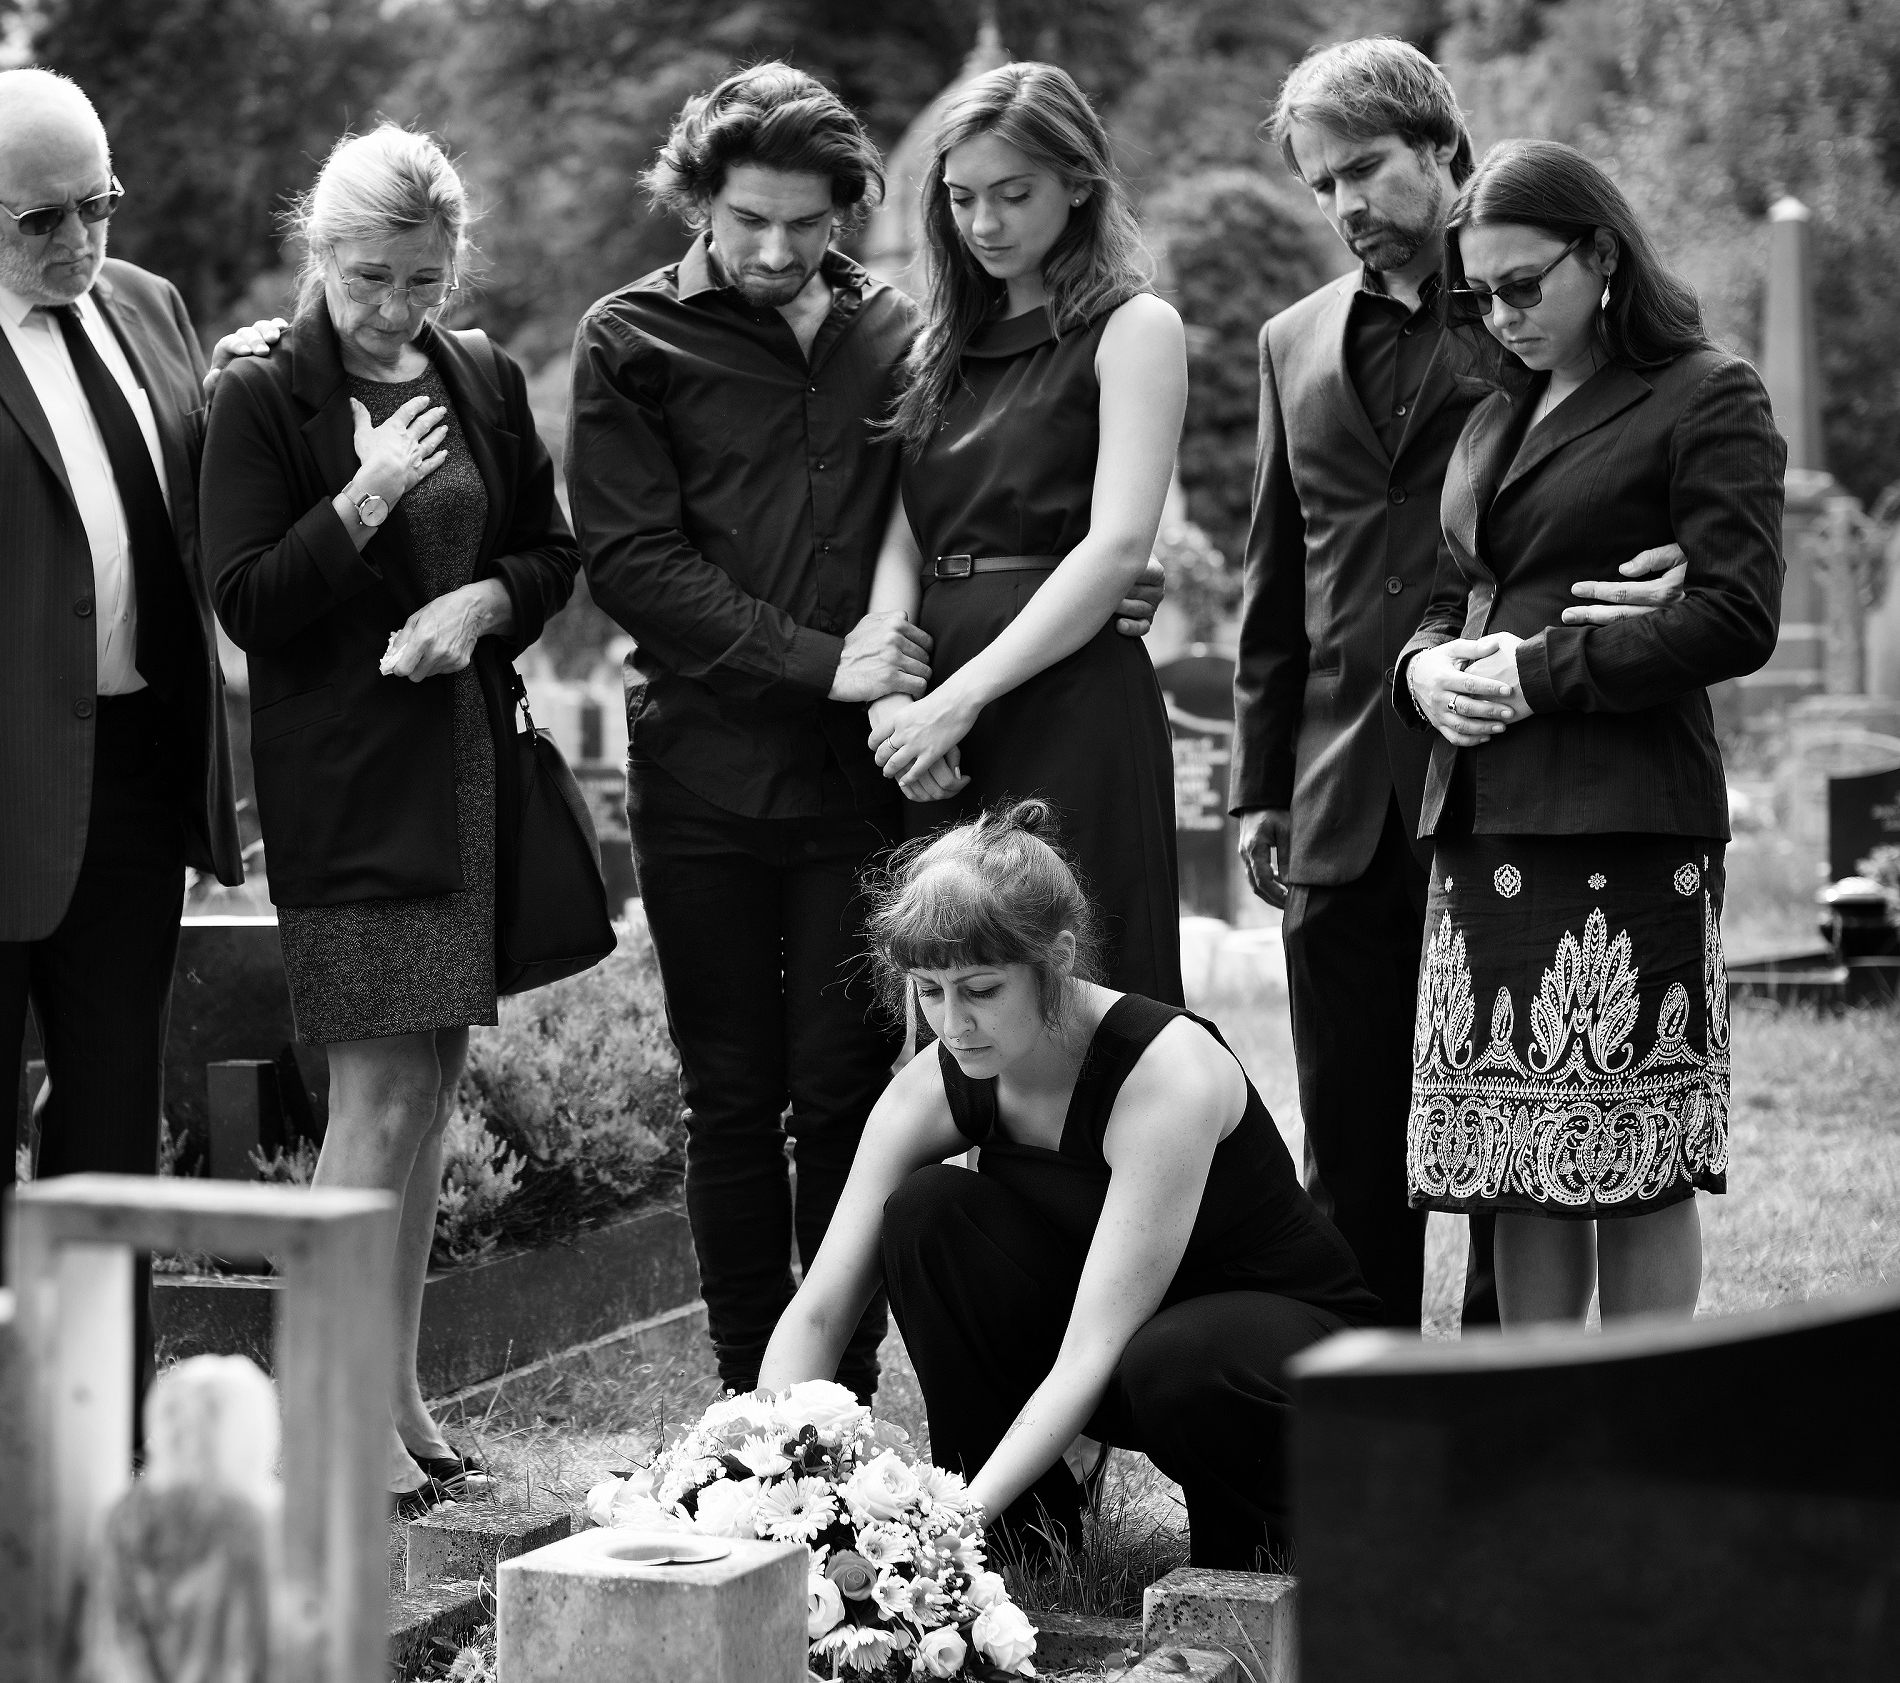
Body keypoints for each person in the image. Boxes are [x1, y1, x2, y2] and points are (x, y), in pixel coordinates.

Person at [566, 64, 1163, 1403]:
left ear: (849, 207)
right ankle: (745, 1399)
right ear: (698, 202)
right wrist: (827, 663)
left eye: (807, 221)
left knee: (854, 1088)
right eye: (746, 220)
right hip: (706, 770)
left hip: (862, 785)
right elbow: (633, 560)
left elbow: (959, 505)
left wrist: (1088, 570)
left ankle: (837, 1391)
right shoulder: (627, 339)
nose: (776, 249)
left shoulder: (902, 329)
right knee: (727, 1094)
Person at [1235, 39, 1688, 1329]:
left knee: (1509, 1146)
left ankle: (1501, 1417)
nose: (1345, 207)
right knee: (1351, 1151)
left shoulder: (1535, 303)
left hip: (1506, 777)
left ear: (1442, 150)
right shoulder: (1287, 341)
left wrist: (1685, 563)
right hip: (1336, 793)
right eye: (1320, 184)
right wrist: (1262, 785)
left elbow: (1654, 440)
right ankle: (1380, 1446)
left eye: (1366, 170)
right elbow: (1280, 576)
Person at [201, 124, 577, 1510]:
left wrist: (483, 604)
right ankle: (324, 1410)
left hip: (465, 775)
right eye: (369, 275)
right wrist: (364, 493)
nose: (393, 307)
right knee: (377, 1093)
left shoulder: (479, 371)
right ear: (319, 251)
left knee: (426, 1094)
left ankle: (398, 1390)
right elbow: (245, 600)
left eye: (421, 279)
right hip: (347, 792)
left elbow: (550, 552)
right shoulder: (261, 392)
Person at [0, 70, 279, 1327]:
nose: (77, 243)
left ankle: (102, 1444)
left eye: (96, 207)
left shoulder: (150, 303)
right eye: (40, 220)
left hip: (128, 785)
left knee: (113, 1133)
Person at [759, 801, 1378, 1570]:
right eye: (929, 990)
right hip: (1129, 1351)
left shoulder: (1165, 1074)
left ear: (1054, 959)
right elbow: (820, 1307)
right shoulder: (938, 1080)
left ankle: (1269, 1558)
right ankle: (1021, 1546)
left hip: (1274, 1365)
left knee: (1177, 1356)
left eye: (981, 989)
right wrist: (757, 1478)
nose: (954, 1023)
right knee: (927, 1214)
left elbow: (1094, 1347)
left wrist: (939, 1529)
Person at [1395, 138, 1785, 1326]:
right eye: (1479, 293)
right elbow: (1448, 589)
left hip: (1619, 814)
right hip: (1481, 814)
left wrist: (1537, 671)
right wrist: (1423, 675)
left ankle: (1640, 1445)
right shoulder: (1491, 410)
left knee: (1632, 1162)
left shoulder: (1705, 393)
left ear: (1601, 253)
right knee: (1507, 1167)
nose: (1499, 315)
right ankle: (1535, 1443)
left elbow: (1734, 614)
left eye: (1523, 285)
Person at [865, 62, 1188, 1006]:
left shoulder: (1134, 326)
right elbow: (901, 536)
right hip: (934, 703)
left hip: (1070, 689)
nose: (986, 224)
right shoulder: (931, 347)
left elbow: (1119, 546)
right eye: (962, 199)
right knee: (957, 984)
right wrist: (897, 706)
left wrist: (956, 701)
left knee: (1088, 979)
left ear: (1079, 181)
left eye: (1015, 195)